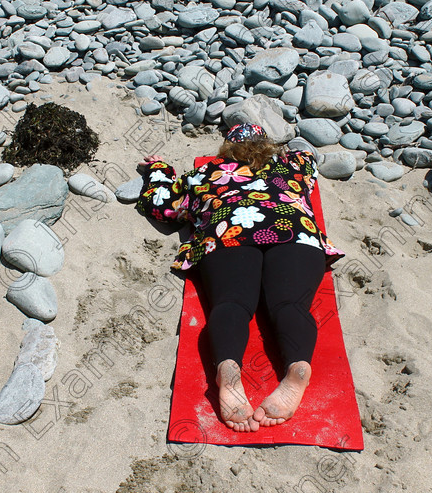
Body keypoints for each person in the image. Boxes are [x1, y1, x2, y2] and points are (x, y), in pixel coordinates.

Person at [135, 123, 345, 432]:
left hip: (228, 232)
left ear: (225, 149)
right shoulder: (294, 164)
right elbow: (308, 158)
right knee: (289, 305)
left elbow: (160, 205)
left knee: (232, 303)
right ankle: (298, 365)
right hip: (295, 233)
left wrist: (158, 169)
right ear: (268, 145)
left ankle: (228, 368)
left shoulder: (205, 174)